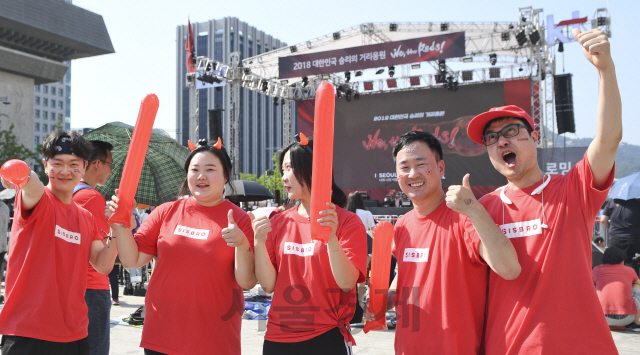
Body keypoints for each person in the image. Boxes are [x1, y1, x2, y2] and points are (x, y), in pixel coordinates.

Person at [465, 28, 620, 354]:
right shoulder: (482, 209)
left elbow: (607, 141)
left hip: (581, 346)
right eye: (491, 139)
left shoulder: (574, 189)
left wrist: (605, 69)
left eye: (510, 131)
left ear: (534, 138)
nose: (501, 141)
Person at [364, 130, 520, 354]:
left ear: (441, 168)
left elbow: (509, 268)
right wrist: (385, 301)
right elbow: (408, 274)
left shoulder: (465, 218)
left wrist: (476, 212)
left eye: (421, 164)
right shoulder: (403, 225)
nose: (413, 174)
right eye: (404, 167)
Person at [110, 138, 256, 355]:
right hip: (162, 333)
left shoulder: (240, 220)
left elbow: (248, 281)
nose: (201, 176)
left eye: (210, 169)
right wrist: (120, 222)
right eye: (194, 169)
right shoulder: (165, 211)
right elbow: (133, 260)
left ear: (225, 176)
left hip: (214, 338)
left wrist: (241, 242)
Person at [0, 130, 120, 355]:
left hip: (75, 334)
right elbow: (31, 184)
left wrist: (117, 226)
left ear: (84, 167)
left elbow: (102, 265)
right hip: (28, 332)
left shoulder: (86, 217)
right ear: (46, 166)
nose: (65, 171)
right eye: (57, 163)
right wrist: (22, 174)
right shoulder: (39, 200)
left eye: (73, 164)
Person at [252, 134, 367, 355]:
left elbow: (346, 282)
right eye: (283, 169)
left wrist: (331, 237)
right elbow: (268, 285)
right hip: (278, 337)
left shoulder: (347, 222)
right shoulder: (279, 221)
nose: (284, 177)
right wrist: (259, 242)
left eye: (290, 168)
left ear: (313, 169)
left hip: (326, 337)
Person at [72, 140, 116, 355]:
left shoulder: (67, 194)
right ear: (97, 164)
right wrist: (118, 224)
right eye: (110, 164)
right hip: (93, 286)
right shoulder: (92, 198)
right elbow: (102, 258)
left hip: (72, 285)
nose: (111, 171)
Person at [592, 247, 640, 331]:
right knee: (636, 286)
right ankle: (636, 323)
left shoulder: (596, 270)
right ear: (622, 259)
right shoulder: (629, 270)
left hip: (601, 319)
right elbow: (638, 283)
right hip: (627, 318)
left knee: (595, 287)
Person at [601, 198, 640, 268]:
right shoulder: (637, 202)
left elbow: (603, 220)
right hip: (633, 238)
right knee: (632, 262)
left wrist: (610, 230)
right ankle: (633, 278)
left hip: (615, 238)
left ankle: (616, 278)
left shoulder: (612, 202)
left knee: (615, 262)